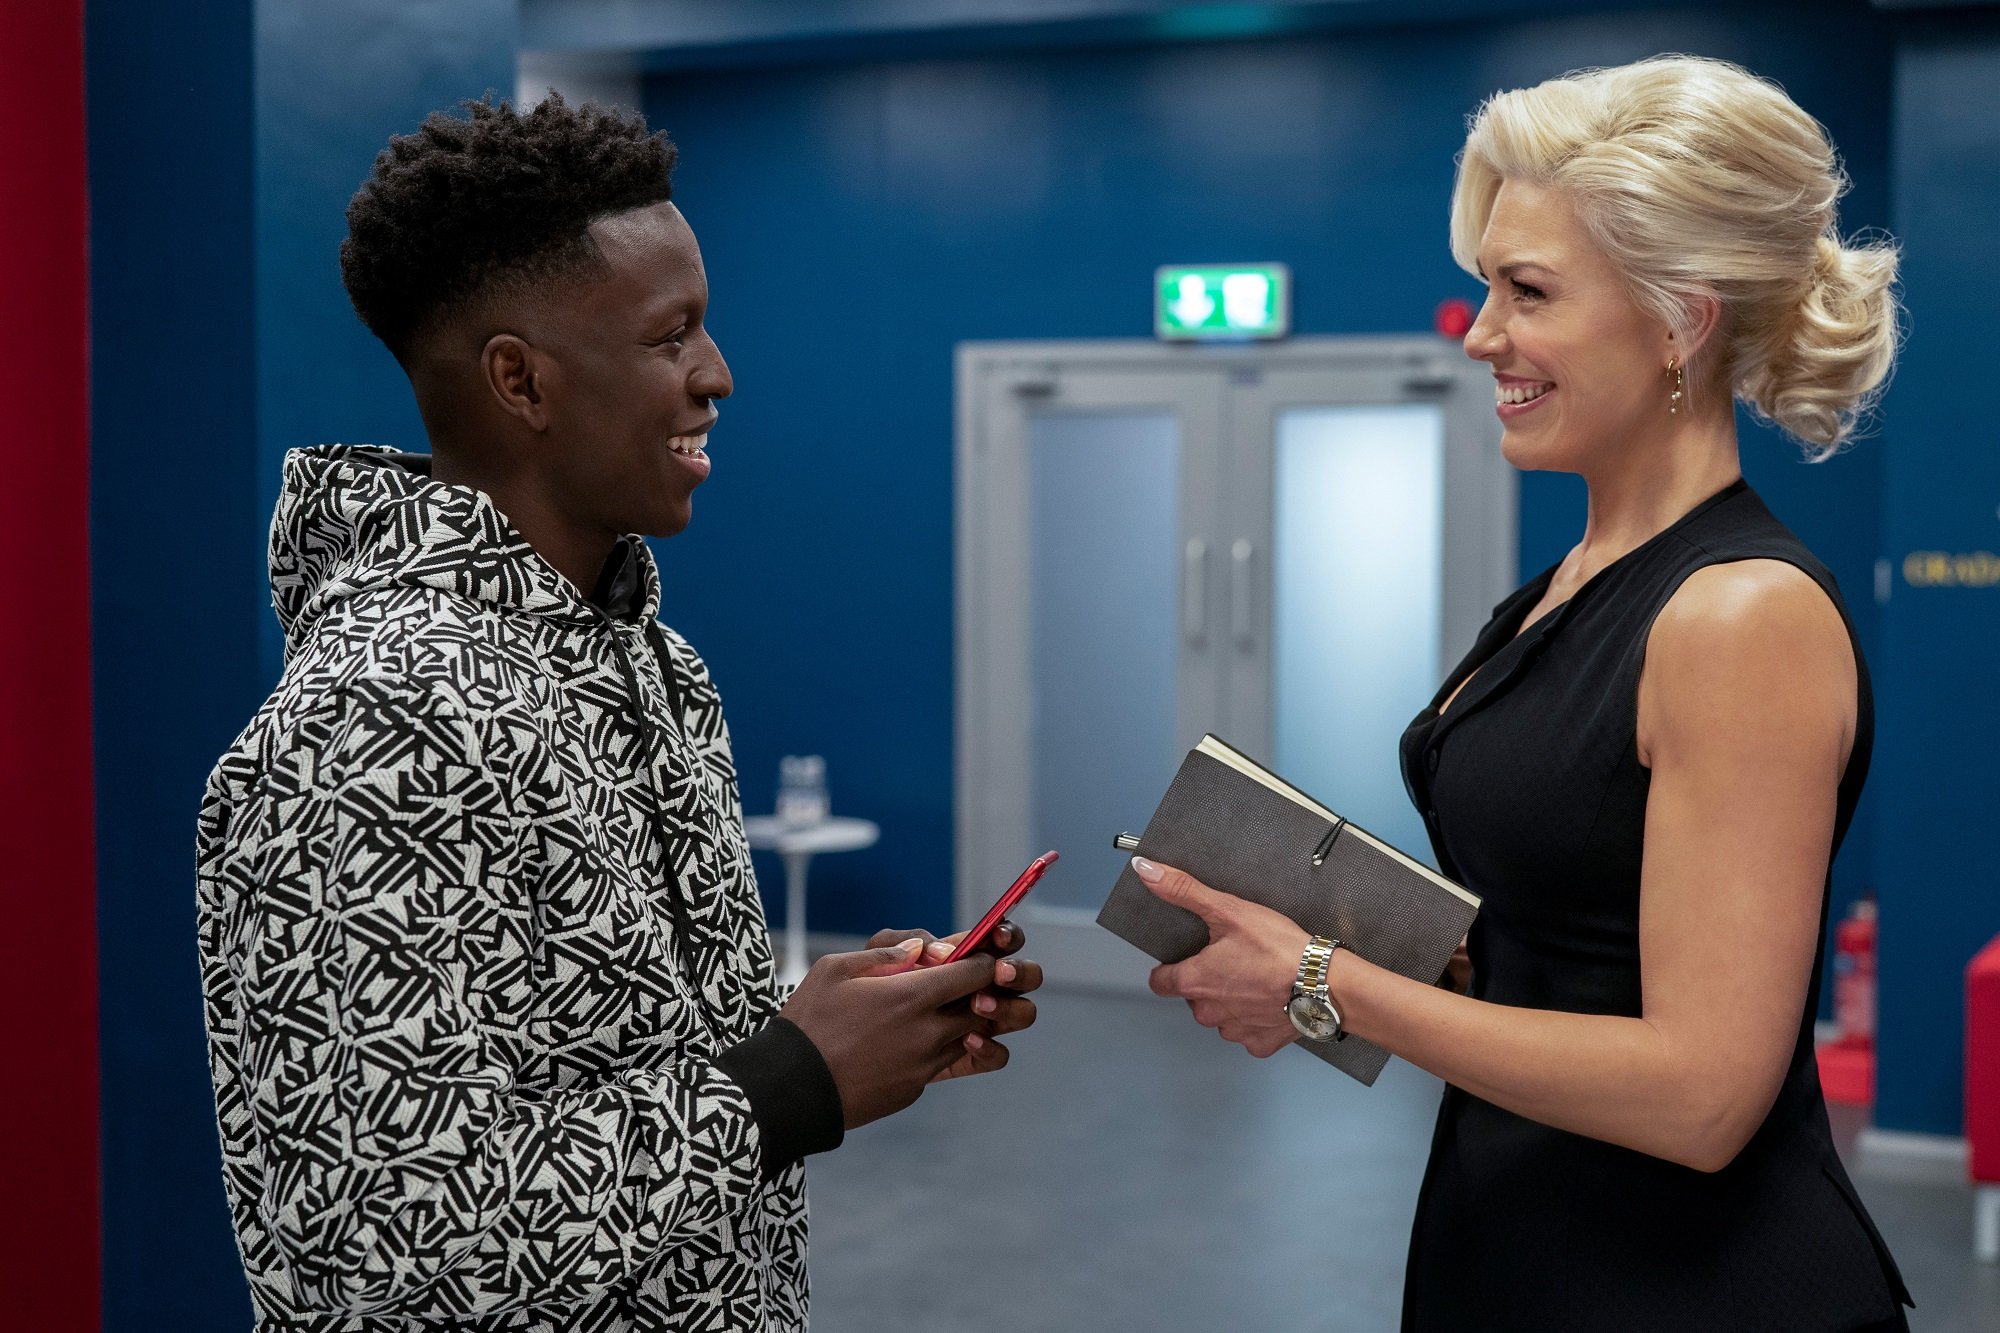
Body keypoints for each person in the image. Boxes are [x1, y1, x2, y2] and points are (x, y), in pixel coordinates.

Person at [195, 94, 1040, 1332]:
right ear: (519, 380)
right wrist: (787, 1082)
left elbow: (629, 1064)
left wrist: (836, 1025)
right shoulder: (365, 727)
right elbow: (375, 1245)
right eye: (669, 334)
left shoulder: (657, 665)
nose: (717, 373)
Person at [1137, 56, 1911, 1331]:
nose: (1480, 333)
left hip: (1690, 1290)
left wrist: (1322, 978)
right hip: (1519, 1238)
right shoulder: (1567, 584)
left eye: (1527, 290)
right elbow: (1569, 936)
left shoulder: (1738, 616)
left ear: (1677, 320)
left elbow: (1702, 1097)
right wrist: (1339, 945)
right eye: (1487, 286)